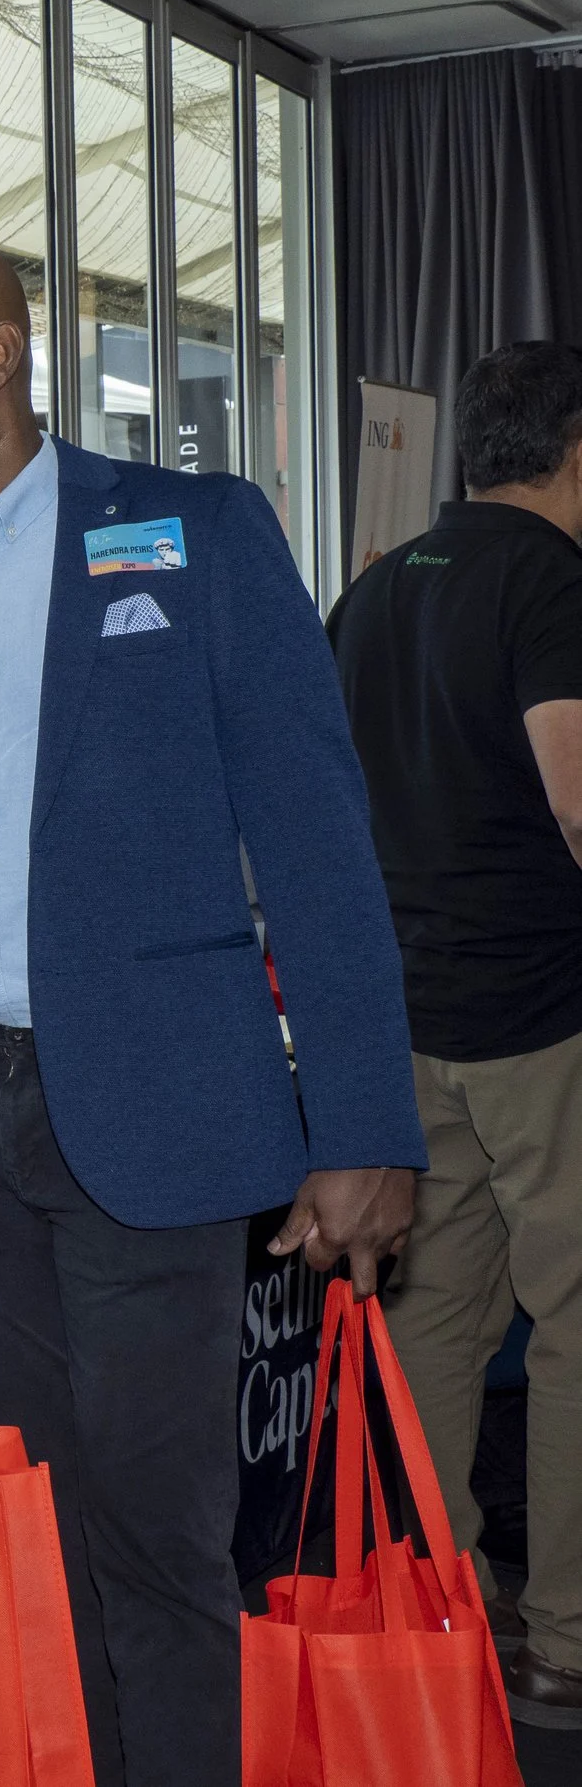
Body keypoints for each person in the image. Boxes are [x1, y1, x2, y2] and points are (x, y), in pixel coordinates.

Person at [0, 237, 424, 1787]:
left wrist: (361, 1118)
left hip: (153, 1112)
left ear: (4, 351)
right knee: (26, 1535)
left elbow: (314, 834)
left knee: (161, 1540)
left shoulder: (191, 531)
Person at [327, 339, 582, 1729]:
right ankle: (569, 1638)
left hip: (405, 1015)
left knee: (428, 1321)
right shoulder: (551, 583)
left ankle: (443, 1608)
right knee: (577, 1327)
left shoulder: (371, 591)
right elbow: (578, 793)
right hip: (545, 1015)